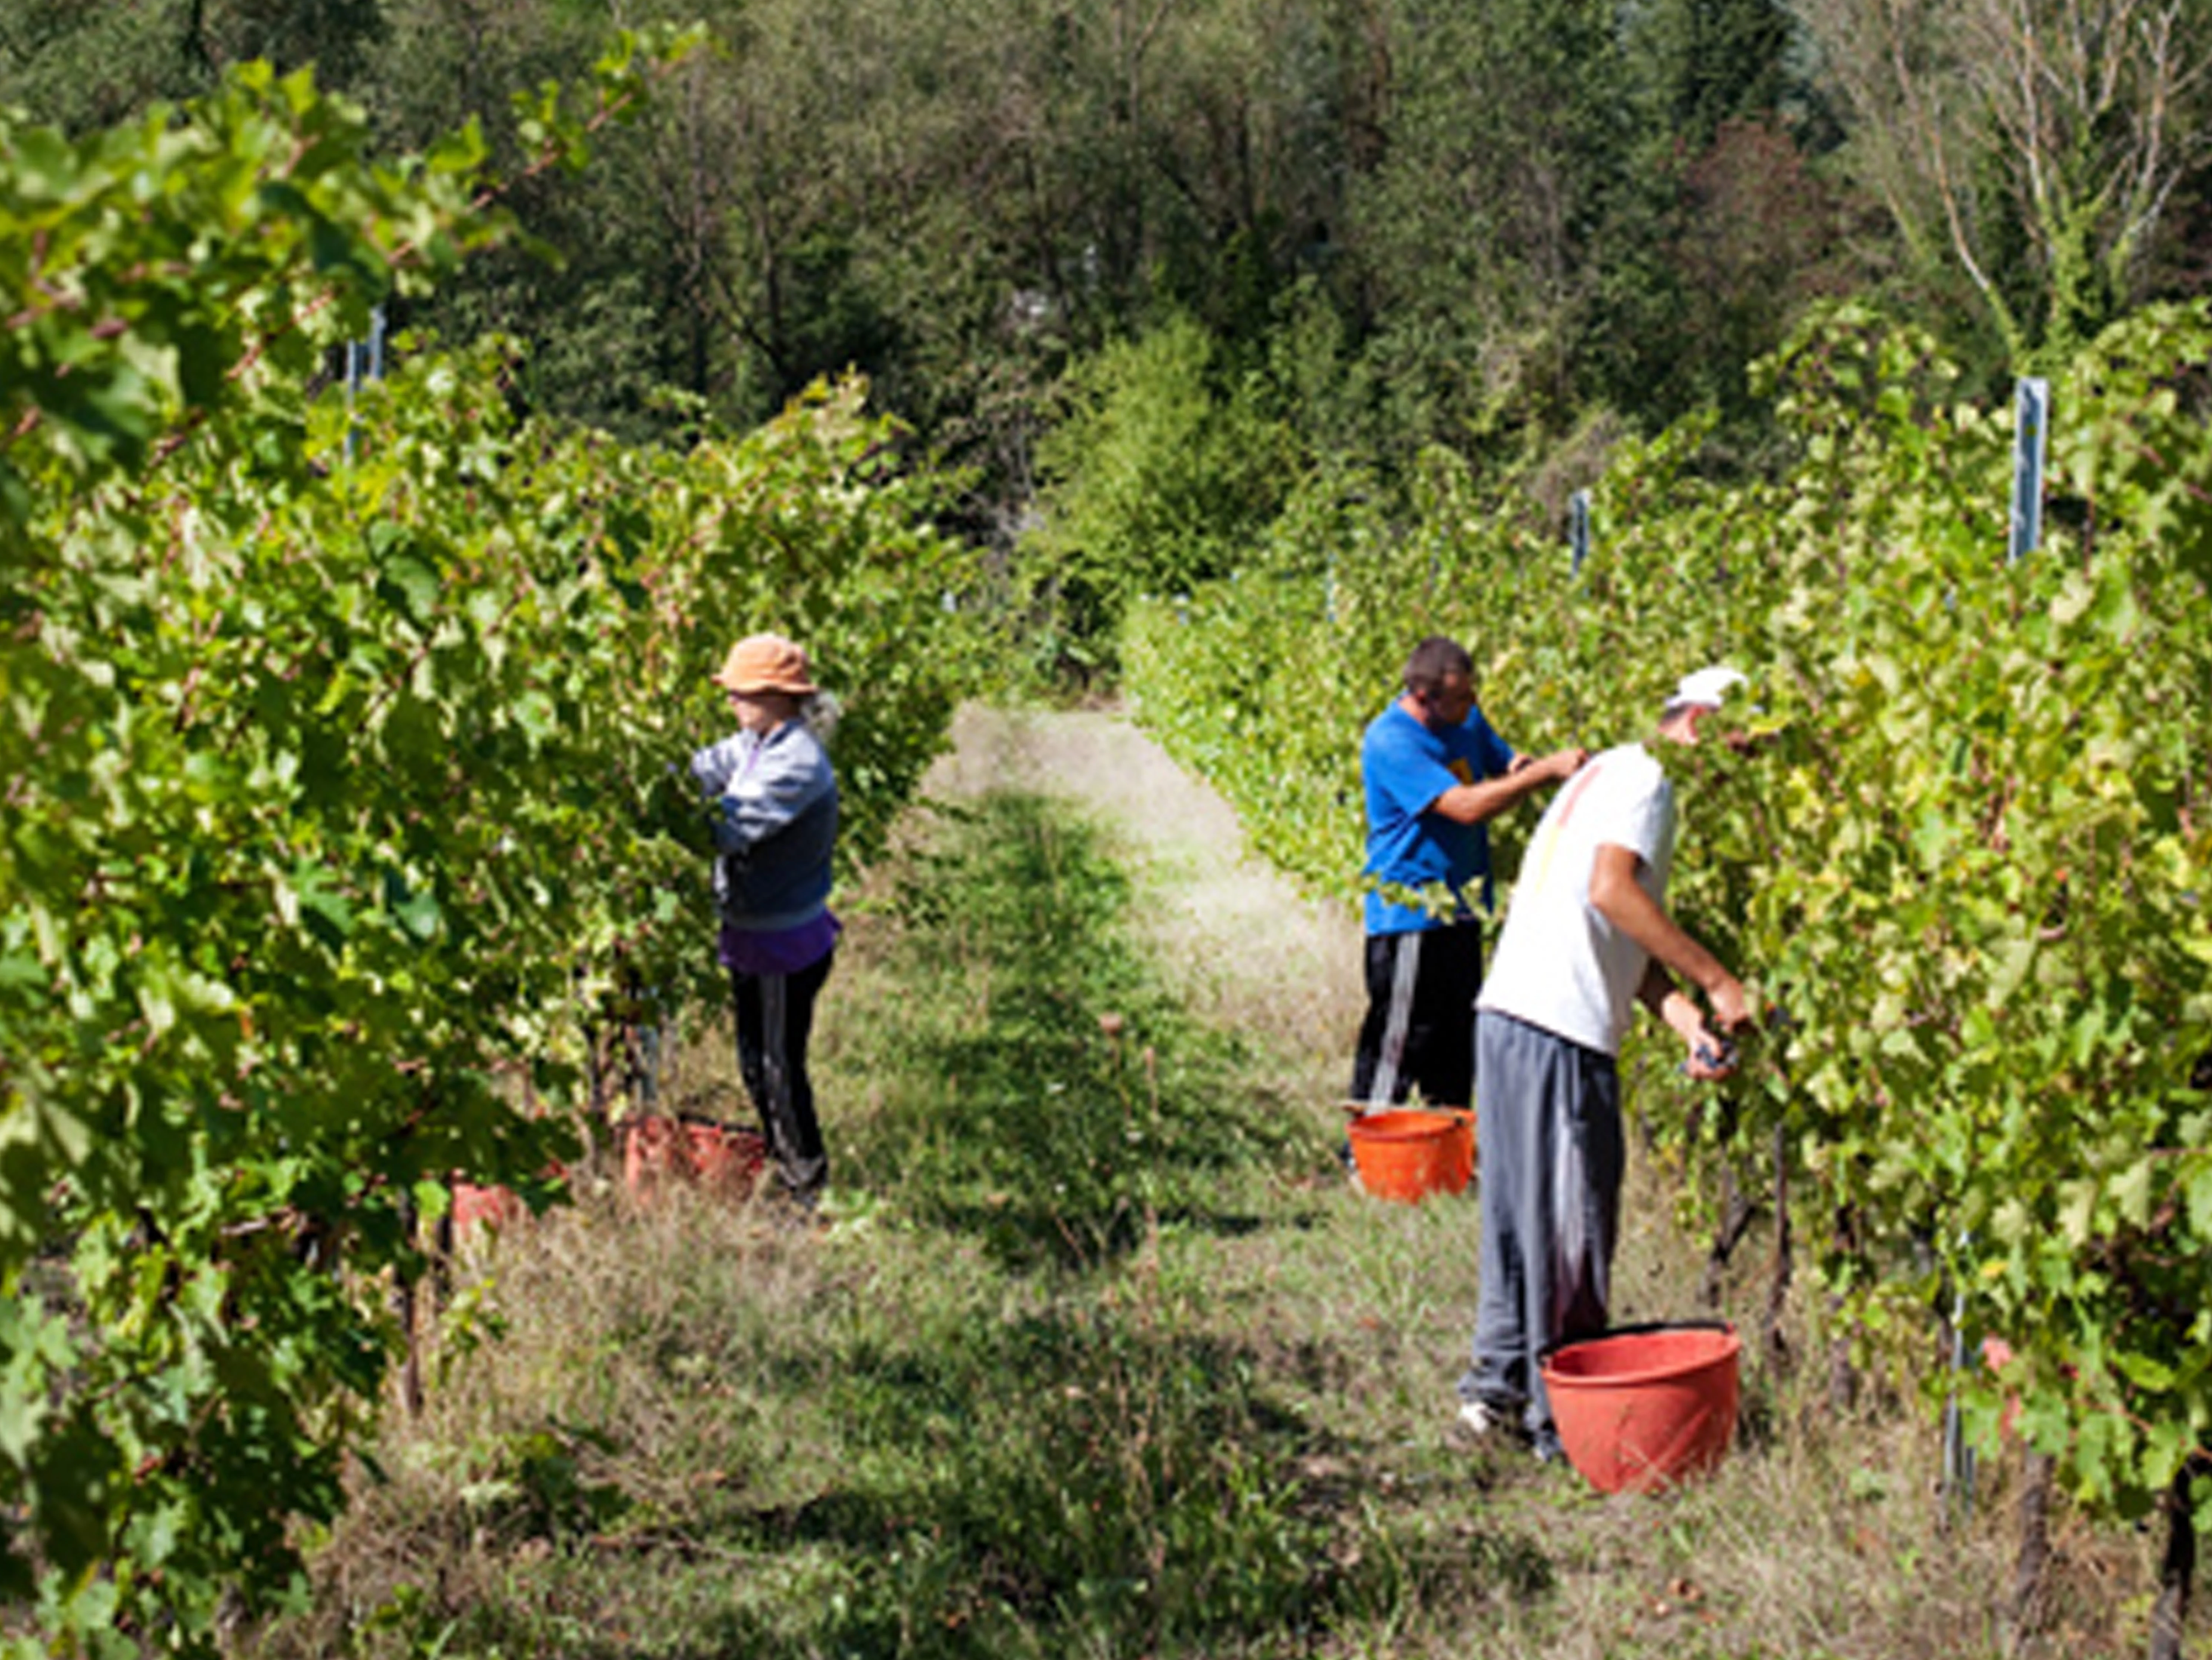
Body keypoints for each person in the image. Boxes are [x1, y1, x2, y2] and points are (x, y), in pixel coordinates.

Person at [1456, 664, 1753, 1459]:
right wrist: (1719, 980)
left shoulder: (1605, 772)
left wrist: (1687, 1021)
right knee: (1571, 1229)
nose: (1743, 763)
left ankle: (1498, 1390)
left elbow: (1616, 942)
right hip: (1558, 1030)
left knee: (1518, 1221)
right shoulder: (1649, 783)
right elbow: (1610, 895)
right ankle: (1570, 1431)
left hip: (1509, 1014)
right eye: (1739, 743)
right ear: (1699, 724)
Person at [1352, 636, 1587, 1111]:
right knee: (1399, 1041)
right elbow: (1464, 807)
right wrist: (1541, 775)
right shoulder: (1391, 740)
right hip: (1411, 913)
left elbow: (1506, 761)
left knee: (1456, 1039)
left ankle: (1448, 1149)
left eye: (1472, 693)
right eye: (1460, 697)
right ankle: (1367, 1150)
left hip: (1461, 908)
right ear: (1423, 698)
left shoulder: (1465, 721)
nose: (1472, 704)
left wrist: (1539, 768)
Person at [689, 633, 841, 1209]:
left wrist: (659, 820)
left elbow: (730, 826)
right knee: (756, 1061)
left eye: (740, 691)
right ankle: (789, 1172)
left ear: (778, 696)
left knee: (776, 1067)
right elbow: (706, 767)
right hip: (756, 933)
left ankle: (805, 1189)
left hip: (782, 943)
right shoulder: (757, 741)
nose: (730, 700)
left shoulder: (794, 762)